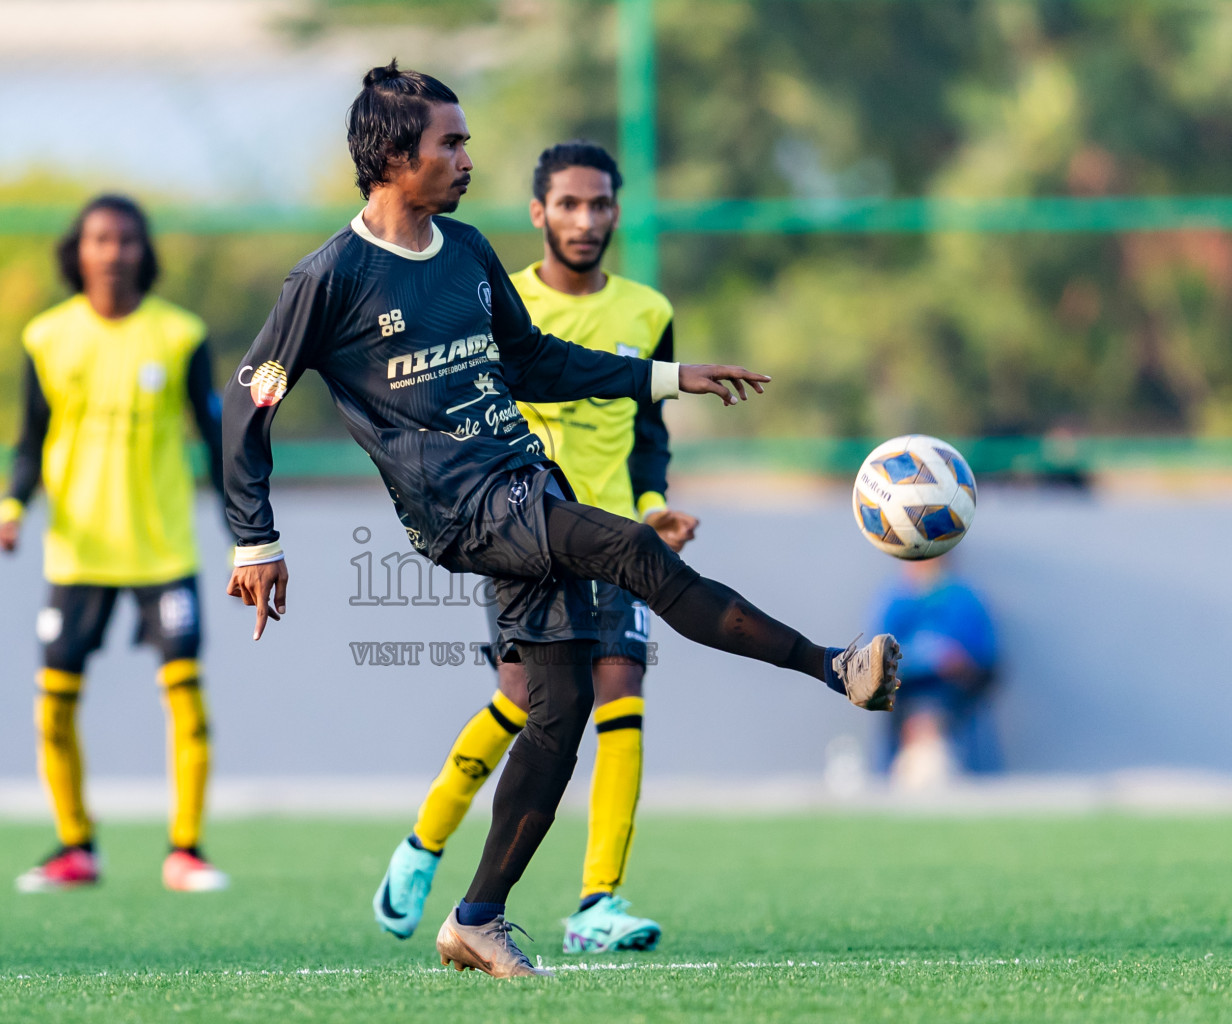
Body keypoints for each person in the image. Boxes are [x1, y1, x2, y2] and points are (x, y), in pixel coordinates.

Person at [223, 62, 901, 979]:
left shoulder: (463, 252)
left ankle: (476, 918)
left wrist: (667, 376)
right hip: (463, 510)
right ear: (392, 155)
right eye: (449, 142)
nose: (466, 156)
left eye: (465, 140)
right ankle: (832, 665)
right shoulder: (330, 278)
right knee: (625, 544)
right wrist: (256, 539)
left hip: (520, 484)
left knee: (562, 711)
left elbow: (536, 363)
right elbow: (247, 409)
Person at [373, 140, 697, 955]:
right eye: (569, 205)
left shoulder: (648, 311)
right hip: (526, 527)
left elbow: (648, 433)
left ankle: (598, 904)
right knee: (523, 701)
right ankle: (424, 842)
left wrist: (655, 506)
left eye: (600, 205)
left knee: (621, 691)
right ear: (538, 213)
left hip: (617, 532)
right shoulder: (494, 298)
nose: (586, 220)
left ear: (618, 212)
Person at [0, 194, 231, 894]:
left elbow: (215, 441)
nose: (114, 251)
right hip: (78, 552)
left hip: (162, 550)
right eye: (100, 239)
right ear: (79, 250)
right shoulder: (47, 337)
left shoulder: (180, 334)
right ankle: (75, 847)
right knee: (55, 700)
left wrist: (249, 535)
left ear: (143, 251)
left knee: (186, 695)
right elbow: (29, 440)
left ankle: (185, 850)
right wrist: (12, 505)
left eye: (127, 240)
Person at [871, 557, 1000, 789]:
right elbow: (875, 662)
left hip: (953, 691)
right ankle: (916, 766)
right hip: (905, 692)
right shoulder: (894, 601)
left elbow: (987, 663)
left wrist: (959, 663)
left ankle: (936, 765)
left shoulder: (965, 600)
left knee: (933, 710)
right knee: (916, 710)